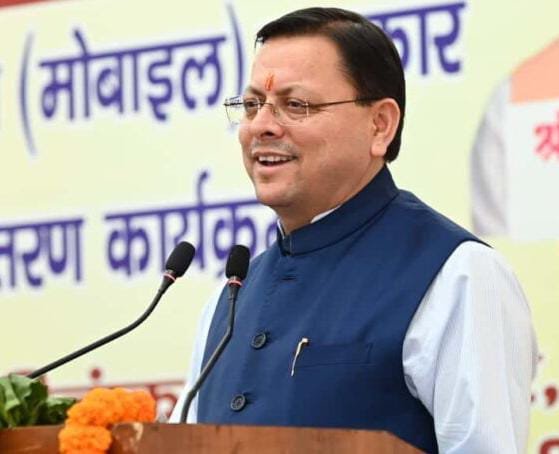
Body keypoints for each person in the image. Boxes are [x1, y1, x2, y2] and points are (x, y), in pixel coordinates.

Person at [171, 7, 537, 453]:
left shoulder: (458, 274)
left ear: (380, 125)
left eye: (295, 105)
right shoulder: (229, 298)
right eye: (251, 106)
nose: (261, 126)